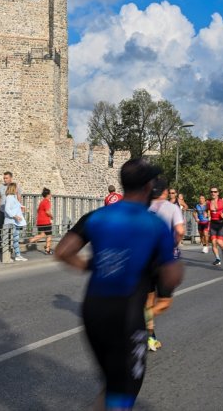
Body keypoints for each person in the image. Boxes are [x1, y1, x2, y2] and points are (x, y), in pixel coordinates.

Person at [55, 159, 183, 411]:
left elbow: (62, 252)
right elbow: (170, 277)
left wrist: (91, 266)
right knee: (124, 391)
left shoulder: (97, 216)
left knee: (113, 383)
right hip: (127, 315)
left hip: (93, 311)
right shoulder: (154, 225)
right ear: (148, 186)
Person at [146, 178, 184, 352]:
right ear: (166, 192)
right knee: (164, 302)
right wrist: (174, 244)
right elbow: (181, 231)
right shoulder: (172, 207)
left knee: (148, 299)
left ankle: (150, 337)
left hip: (144, 258)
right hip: (163, 258)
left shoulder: (142, 206)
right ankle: (137, 324)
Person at [0, 171, 22, 249]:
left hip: (11, 212)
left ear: (11, 178)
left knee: (9, 229)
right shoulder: (0, 187)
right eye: (4, 178)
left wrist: (18, 211)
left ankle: (9, 247)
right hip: (1, 210)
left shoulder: (16, 187)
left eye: (6, 178)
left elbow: (19, 199)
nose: (5, 180)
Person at [207, 187, 223, 266]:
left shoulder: (222, 200)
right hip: (213, 223)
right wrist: (206, 215)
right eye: (211, 192)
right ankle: (218, 259)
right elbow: (207, 210)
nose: (213, 193)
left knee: (219, 242)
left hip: (220, 223)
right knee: (213, 243)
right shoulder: (209, 202)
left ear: (218, 193)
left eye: (215, 191)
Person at [4, 183, 28, 261]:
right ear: (13, 188)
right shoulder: (9, 197)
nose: (18, 189)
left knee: (15, 239)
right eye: (17, 188)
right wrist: (15, 216)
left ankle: (17, 255)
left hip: (16, 221)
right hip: (11, 221)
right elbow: (7, 209)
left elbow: (16, 205)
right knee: (11, 239)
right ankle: (9, 256)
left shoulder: (13, 197)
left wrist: (22, 207)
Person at [28, 188, 54, 255]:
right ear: (48, 195)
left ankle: (33, 239)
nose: (51, 195)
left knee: (43, 234)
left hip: (39, 221)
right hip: (46, 221)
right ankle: (47, 250)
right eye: (50, 194)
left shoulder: (42, 202)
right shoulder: (47, 201)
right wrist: (51, 216)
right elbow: (47, 211)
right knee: (49, 235)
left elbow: (38, 210)